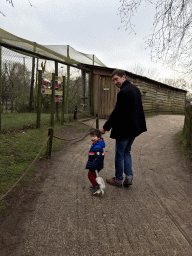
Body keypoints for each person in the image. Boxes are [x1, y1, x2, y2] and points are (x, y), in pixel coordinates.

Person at [100, 69, 147, 187]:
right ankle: (129, 178)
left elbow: (117, 112)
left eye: (116, 79)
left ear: (123, 77)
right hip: (134, 129)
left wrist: (105, 127)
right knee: (127, 152)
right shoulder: (135, 89)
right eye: (113, 80)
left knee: (120, 154)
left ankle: (119, 179)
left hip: (124, 129)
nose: (115, 82)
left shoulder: (123, 92)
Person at [85, 129, 105, 195]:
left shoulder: (97, 147)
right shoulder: (95, 143)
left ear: (99, 137)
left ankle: (96, 186)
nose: (92, 138)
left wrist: (95, 164)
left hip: (95, 164)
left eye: (94, 136)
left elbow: (98, 156)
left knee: (90, 175)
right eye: (91, 136)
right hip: (95, 163)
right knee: (93, 175)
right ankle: (95, 184)